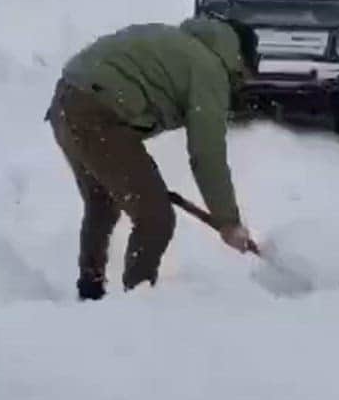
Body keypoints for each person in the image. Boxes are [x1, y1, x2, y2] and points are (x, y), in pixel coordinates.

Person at [46, 16, 260, 300]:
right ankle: (138, 301)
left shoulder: (183, 46)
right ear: (239, 58)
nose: (241, 84)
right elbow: (207, 153)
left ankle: (90, 287)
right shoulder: (209, 69)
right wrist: (229, 221)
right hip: (97, 113)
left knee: (102, 201)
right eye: (244, 76)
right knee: (155, 218)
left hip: (68, 101)